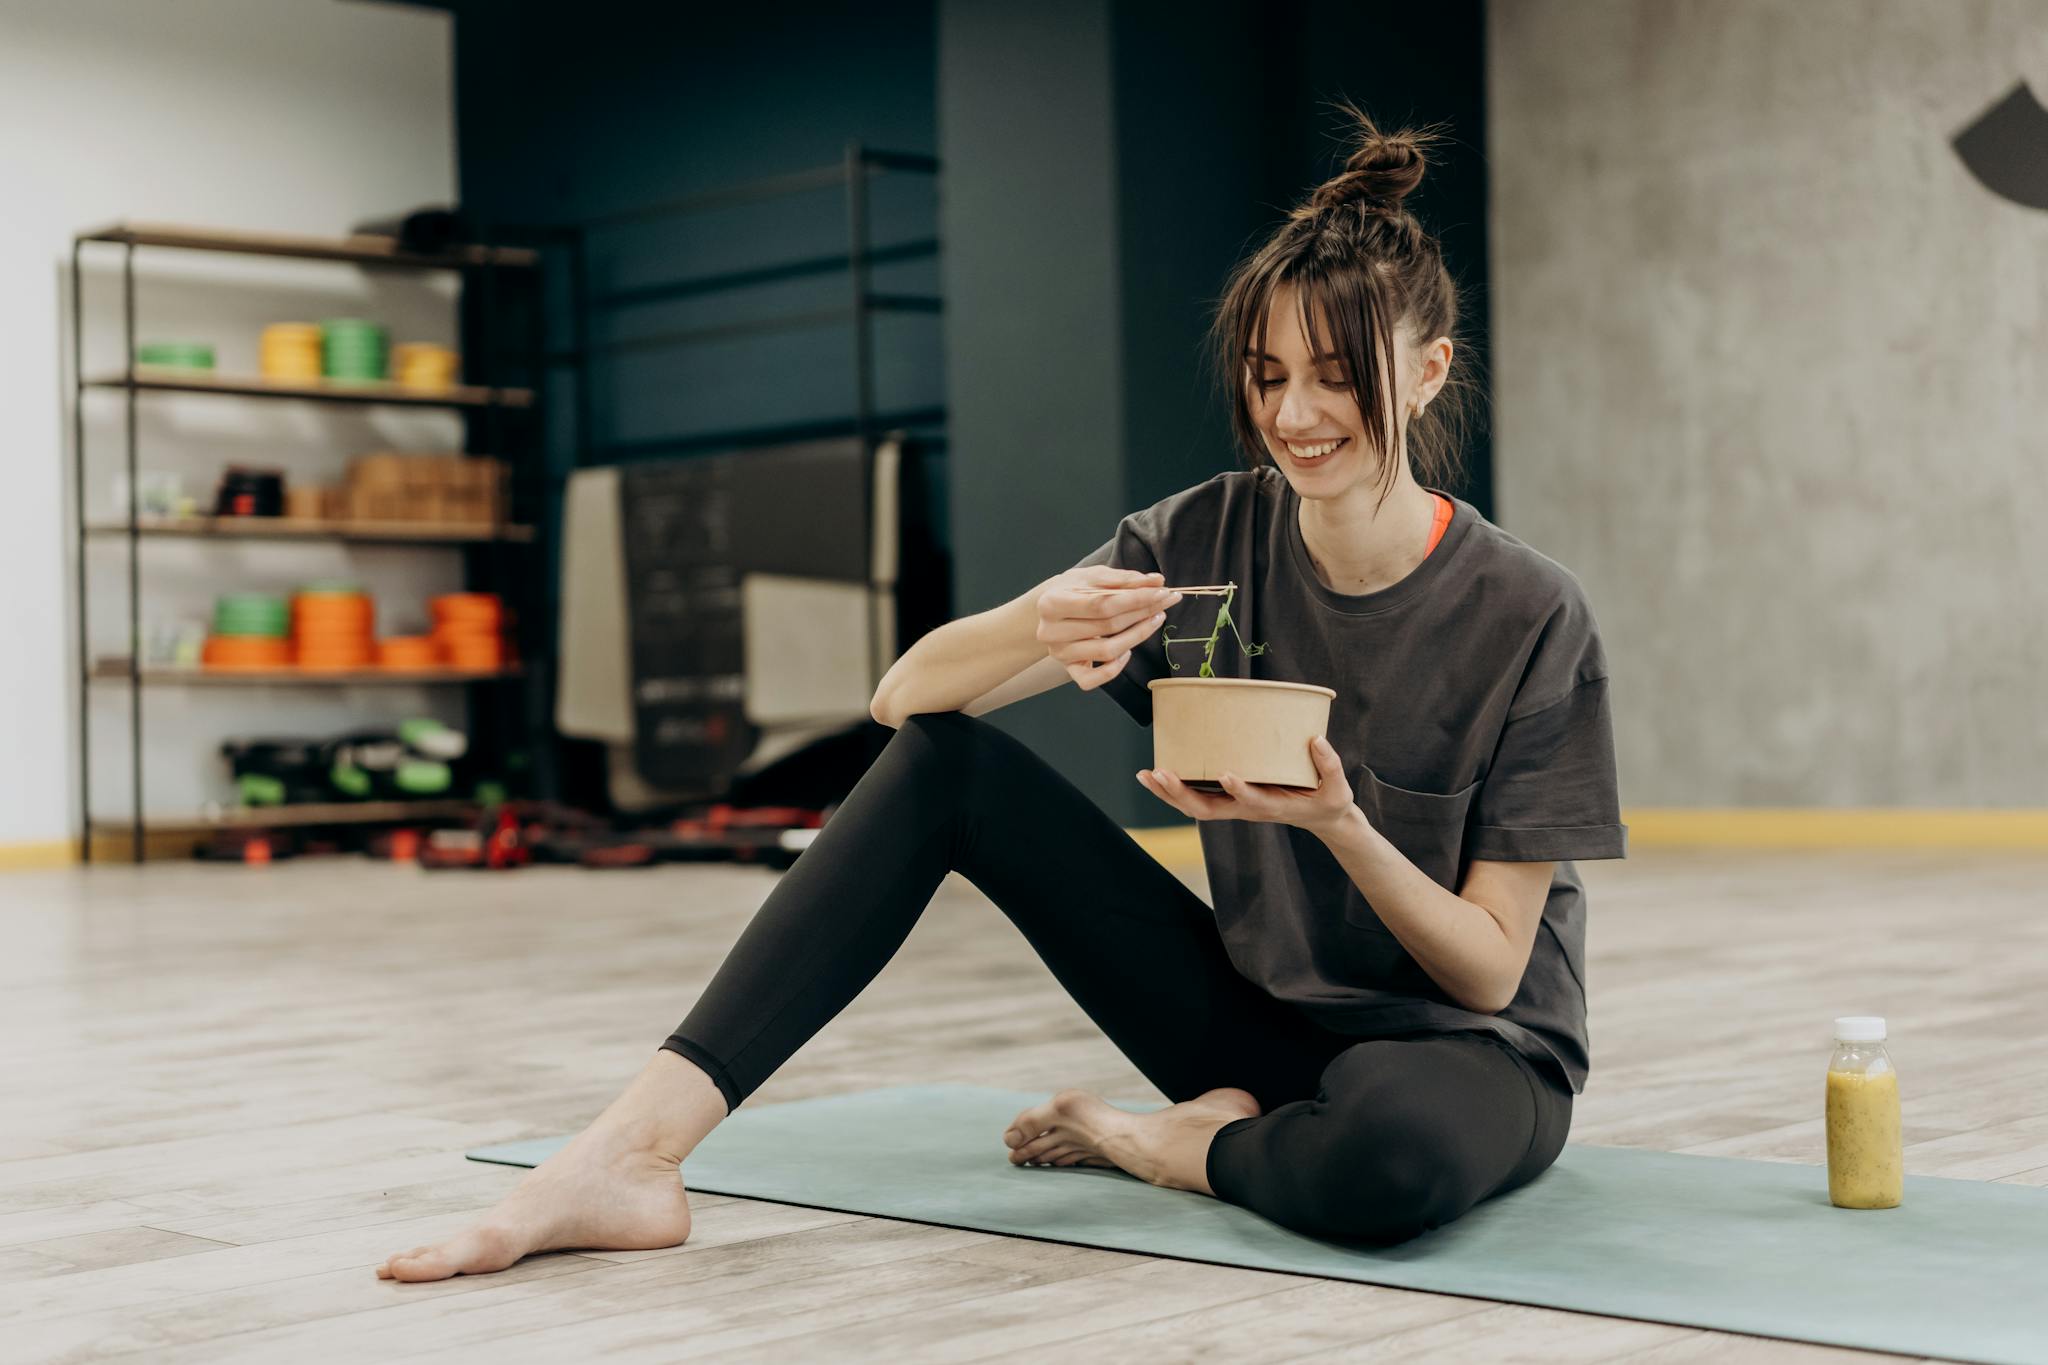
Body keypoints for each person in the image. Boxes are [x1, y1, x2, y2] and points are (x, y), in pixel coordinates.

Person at [377, 107, 1625, 1283]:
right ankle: (629, 1155)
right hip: (1255, 1023)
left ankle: (1162, 1143)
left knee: (1387, 1165)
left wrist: (1338, 824)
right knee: (942, 765)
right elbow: (901, 699)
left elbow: (1483, 974)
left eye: (1335, 376)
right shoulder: (1197, 541)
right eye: (1264, 374)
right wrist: (1037, 620)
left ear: (1424, 373)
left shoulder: (1527, 614)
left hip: (1465, 1057)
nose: (1292, 415)